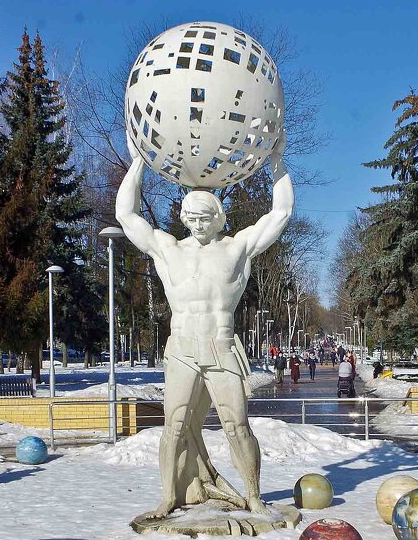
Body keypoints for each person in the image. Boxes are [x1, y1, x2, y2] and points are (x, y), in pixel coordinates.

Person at [116, 135, 293, 518]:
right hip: (181, 347)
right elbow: (127, 217)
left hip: (221, 345)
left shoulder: (235, 248)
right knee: (173, 427)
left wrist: (277, 162)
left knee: (237, 426)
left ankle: (254, 495)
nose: (197, 224)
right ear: (183, 219)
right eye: (191, 218)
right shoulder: (170, 250)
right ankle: (169, 495)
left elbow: (279, 214)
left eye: (205, 217)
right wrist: (138, 163)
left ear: (219, 218)